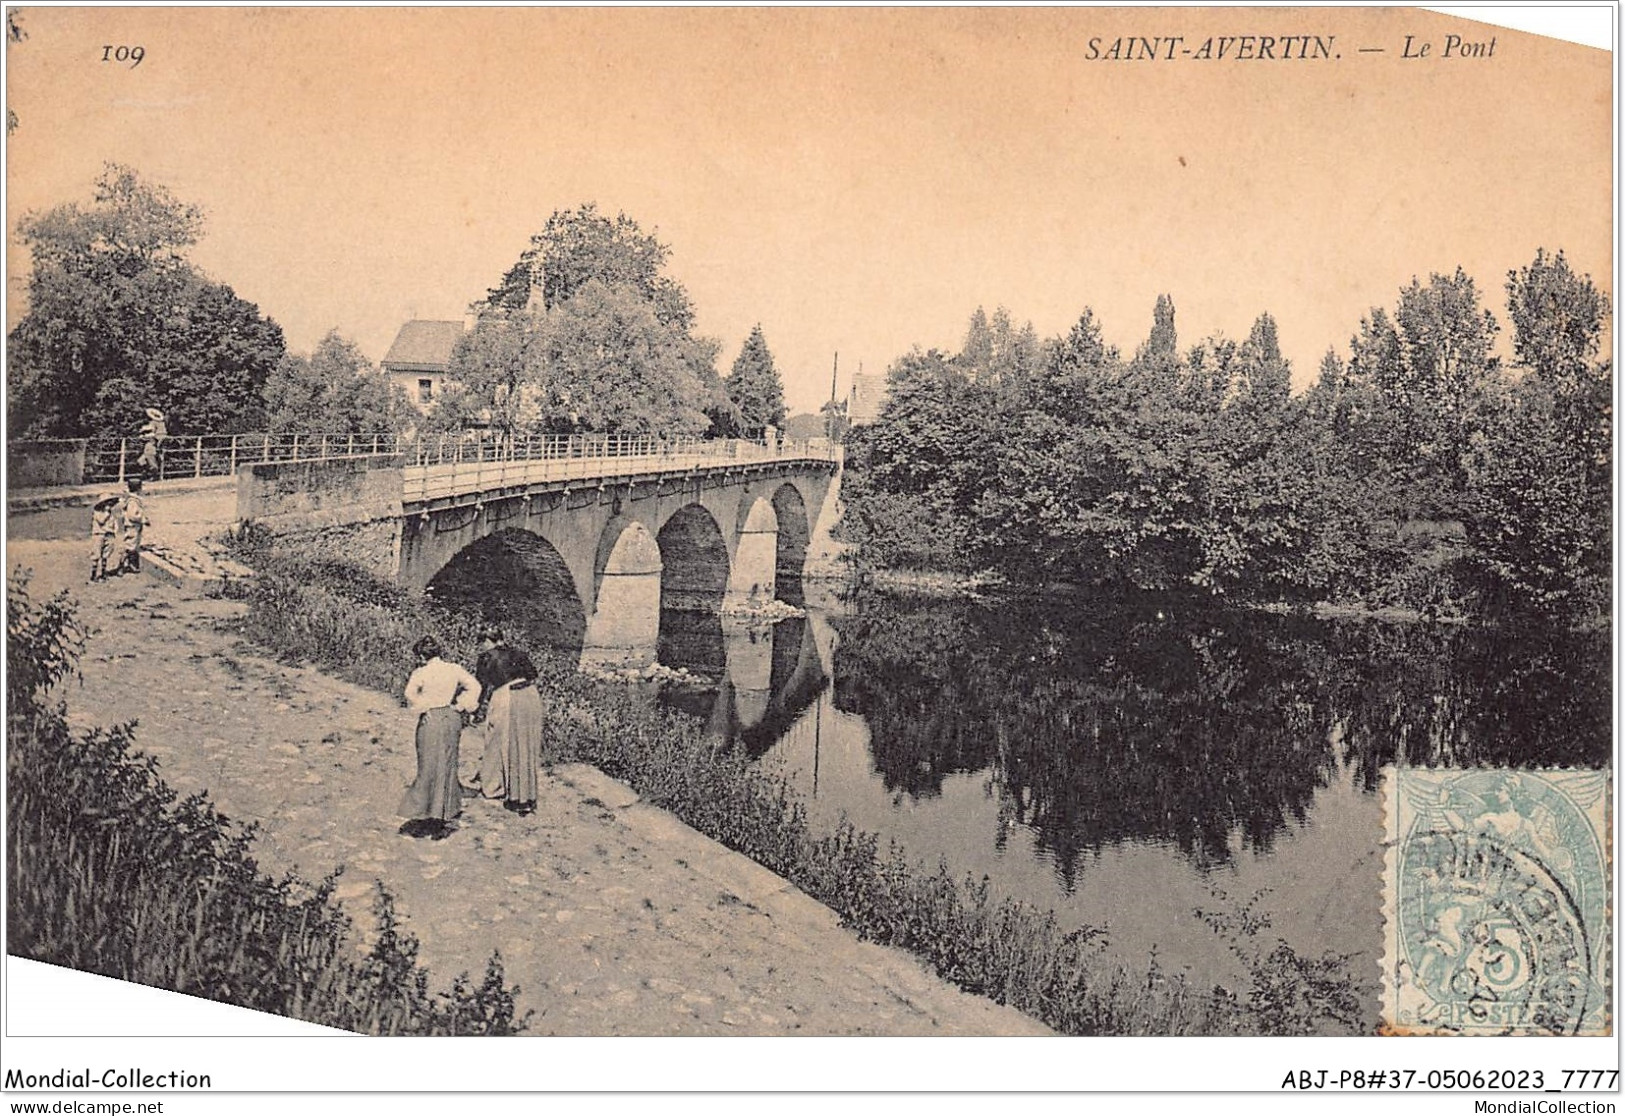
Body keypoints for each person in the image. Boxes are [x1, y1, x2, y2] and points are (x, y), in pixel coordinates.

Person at [398, 635, 479, 839]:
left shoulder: (421, 672)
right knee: (447, 765)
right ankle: (444, 814)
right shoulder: (454, 668)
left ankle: (425, 813)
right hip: (451, 717)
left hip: (432, 718)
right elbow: (475, 686)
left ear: (423, 655)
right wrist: (460, 705)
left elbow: (409, 694)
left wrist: (422, 704)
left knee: (428, 765)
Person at [474, 626, 543, 815]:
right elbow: (533, 675)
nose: (480, 647)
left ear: (487, 641)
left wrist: (475, 710)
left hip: (507, 696)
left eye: (481, 643)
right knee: (525, 744)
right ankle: (525, 793)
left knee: (497, 741)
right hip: (530, 696)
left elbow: (481, 687)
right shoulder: (518, 652)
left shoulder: (487, 657)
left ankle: (494, 787)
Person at [89, 494, 121, 581]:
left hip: (109, 535)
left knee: (106, 554)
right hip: (99, 535)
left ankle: (103, 572)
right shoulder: (97, 512)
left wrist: (115, 531)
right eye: (107, 503)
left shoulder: (111, 515)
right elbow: (101, 521)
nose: (109, 505)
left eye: (110, 504)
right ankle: (94, 574)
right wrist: (106, 513)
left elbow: (115, 524)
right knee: (96, 554)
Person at [119, 478, 147, 574]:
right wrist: (142, 518)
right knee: (130, 546)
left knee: (133, 545)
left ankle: (131, 565)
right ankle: (121, 566)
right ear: (138, 489)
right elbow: (133, 515)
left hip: (133, 525)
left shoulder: (130, 499)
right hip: (132, 525)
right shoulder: (133, 501)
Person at [136, 407, 167, 476]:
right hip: (153, 444)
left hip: (151, 445)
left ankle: (153, 475)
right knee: (141, 461)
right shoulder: (162, 424)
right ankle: (148, 474)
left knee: (150, 461)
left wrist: (143, 435)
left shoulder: (153, 423)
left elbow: (152, 433)